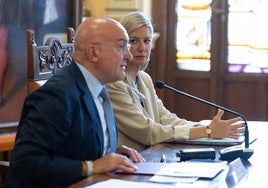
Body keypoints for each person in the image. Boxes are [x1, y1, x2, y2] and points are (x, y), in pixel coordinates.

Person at [4, 17, 145, 187]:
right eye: (122, 46)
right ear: (93, 53)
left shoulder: (99, 87)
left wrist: (109, 152)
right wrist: (92, 166)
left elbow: (73, 146)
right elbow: (26, 162)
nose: (129, 56)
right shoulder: (57, 95)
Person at [106, 11, 245, 152]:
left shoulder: (144, 79)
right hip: (127, 164)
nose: (142, 48)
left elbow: (166, 119)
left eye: (147, 41)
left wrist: (209, 128)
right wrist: (207, 131)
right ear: (122, 45)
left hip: (148, 158)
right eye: (133, 41)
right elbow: (147, 132)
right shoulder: (114, 83)